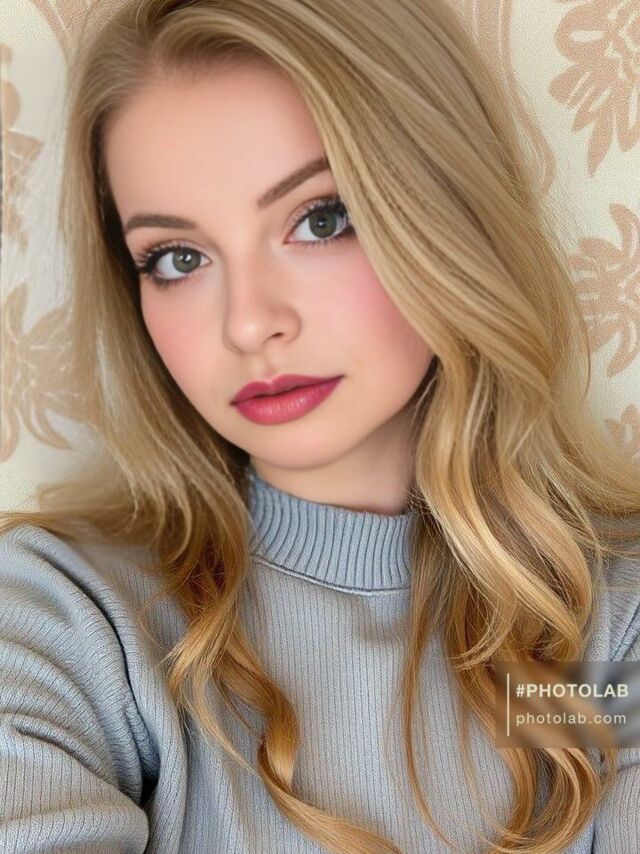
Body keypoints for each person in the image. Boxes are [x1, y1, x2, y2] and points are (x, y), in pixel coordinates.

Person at [1, 0, 639, 852]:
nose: (248, 324)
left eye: (320, 220)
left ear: (446, 215)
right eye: (178, 259)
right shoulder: (68, 620)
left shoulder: (607, 628)